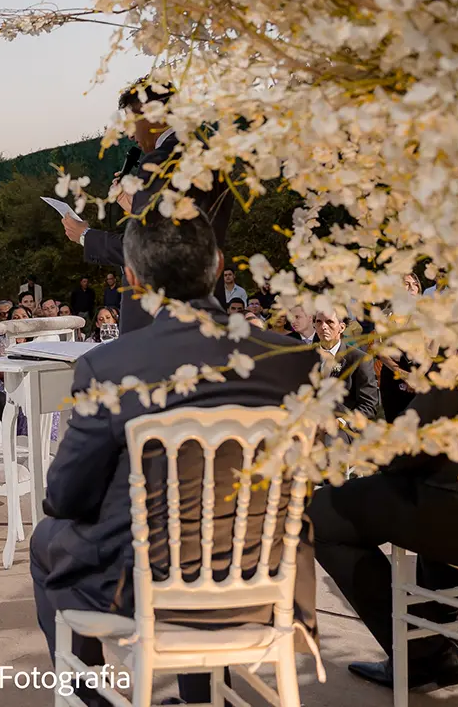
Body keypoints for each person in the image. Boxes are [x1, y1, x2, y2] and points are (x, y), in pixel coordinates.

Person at [31, 213, 320, 705]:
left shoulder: (108, 365)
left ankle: (92, 699)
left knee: (47, 540)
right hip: (271, 581)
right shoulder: (295, 360)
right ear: (219, 265)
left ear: (131, 278)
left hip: (146, 591)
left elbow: (65, 497)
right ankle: (201, 699)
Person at [312, 387, 458, 692]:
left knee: (318, 516)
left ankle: (425, 652)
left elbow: (402, 447)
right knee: (433, 488)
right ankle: (440, 635)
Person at [63, 79, 235, 334]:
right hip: (204, 305)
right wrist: (136, 207)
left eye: (131, 122)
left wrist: (86, 236)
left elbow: (150, 250)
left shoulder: (161, 161)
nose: (130, 134)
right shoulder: (208, 156)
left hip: (164, 316)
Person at [312, 311, 380, 425]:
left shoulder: (359, 359)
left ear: (342, 327)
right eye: (319, 322)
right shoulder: (305, 356)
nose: (323, 326)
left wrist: (342, 423)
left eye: (329, 322)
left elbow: (368, 406)